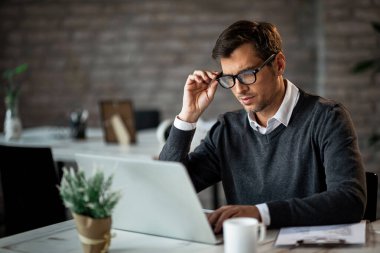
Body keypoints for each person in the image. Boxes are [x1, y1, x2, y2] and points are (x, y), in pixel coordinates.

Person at [159, 20, 366, 232]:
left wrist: (261, 214)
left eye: (248, 74)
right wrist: (188, 116)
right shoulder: (227, 129)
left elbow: (350, 201)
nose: (239, 89)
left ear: (279, 64)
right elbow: (166, 188)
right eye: (229, 78)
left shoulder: (327, 118)